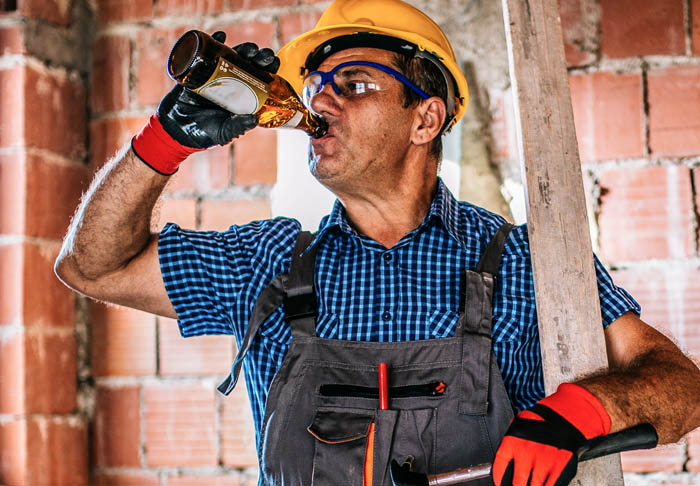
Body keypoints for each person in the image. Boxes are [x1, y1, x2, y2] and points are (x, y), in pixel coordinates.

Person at [55, 1, 700, 485]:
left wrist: (579, 413)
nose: (322, 101)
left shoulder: (529, 262)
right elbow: (91, 266)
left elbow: (683, 387)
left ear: (427, 118)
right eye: (316, 86)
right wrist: (166, 139)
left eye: (355, 83)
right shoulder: (267, 263)